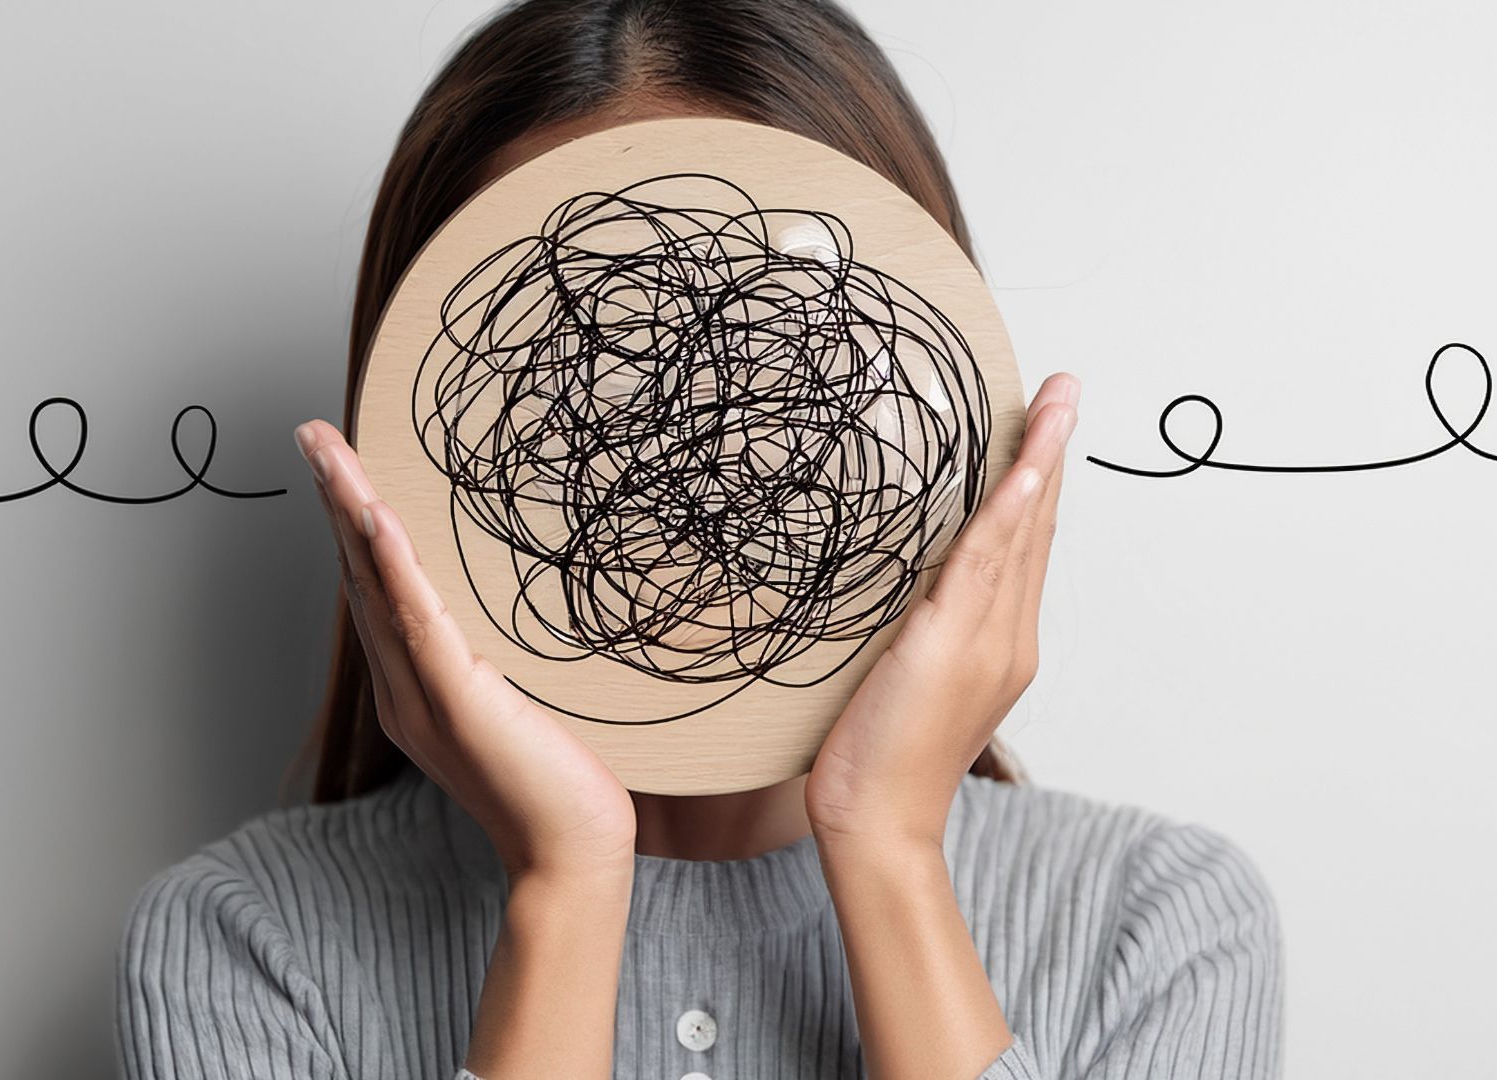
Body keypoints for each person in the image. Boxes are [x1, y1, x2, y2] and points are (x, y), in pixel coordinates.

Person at [113, 2, 1283, 1077]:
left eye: (779, 320)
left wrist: (888, 851)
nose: (673, 454)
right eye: (586, 355)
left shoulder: (1161, 921)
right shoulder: (245, 943)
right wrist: (563, 887)